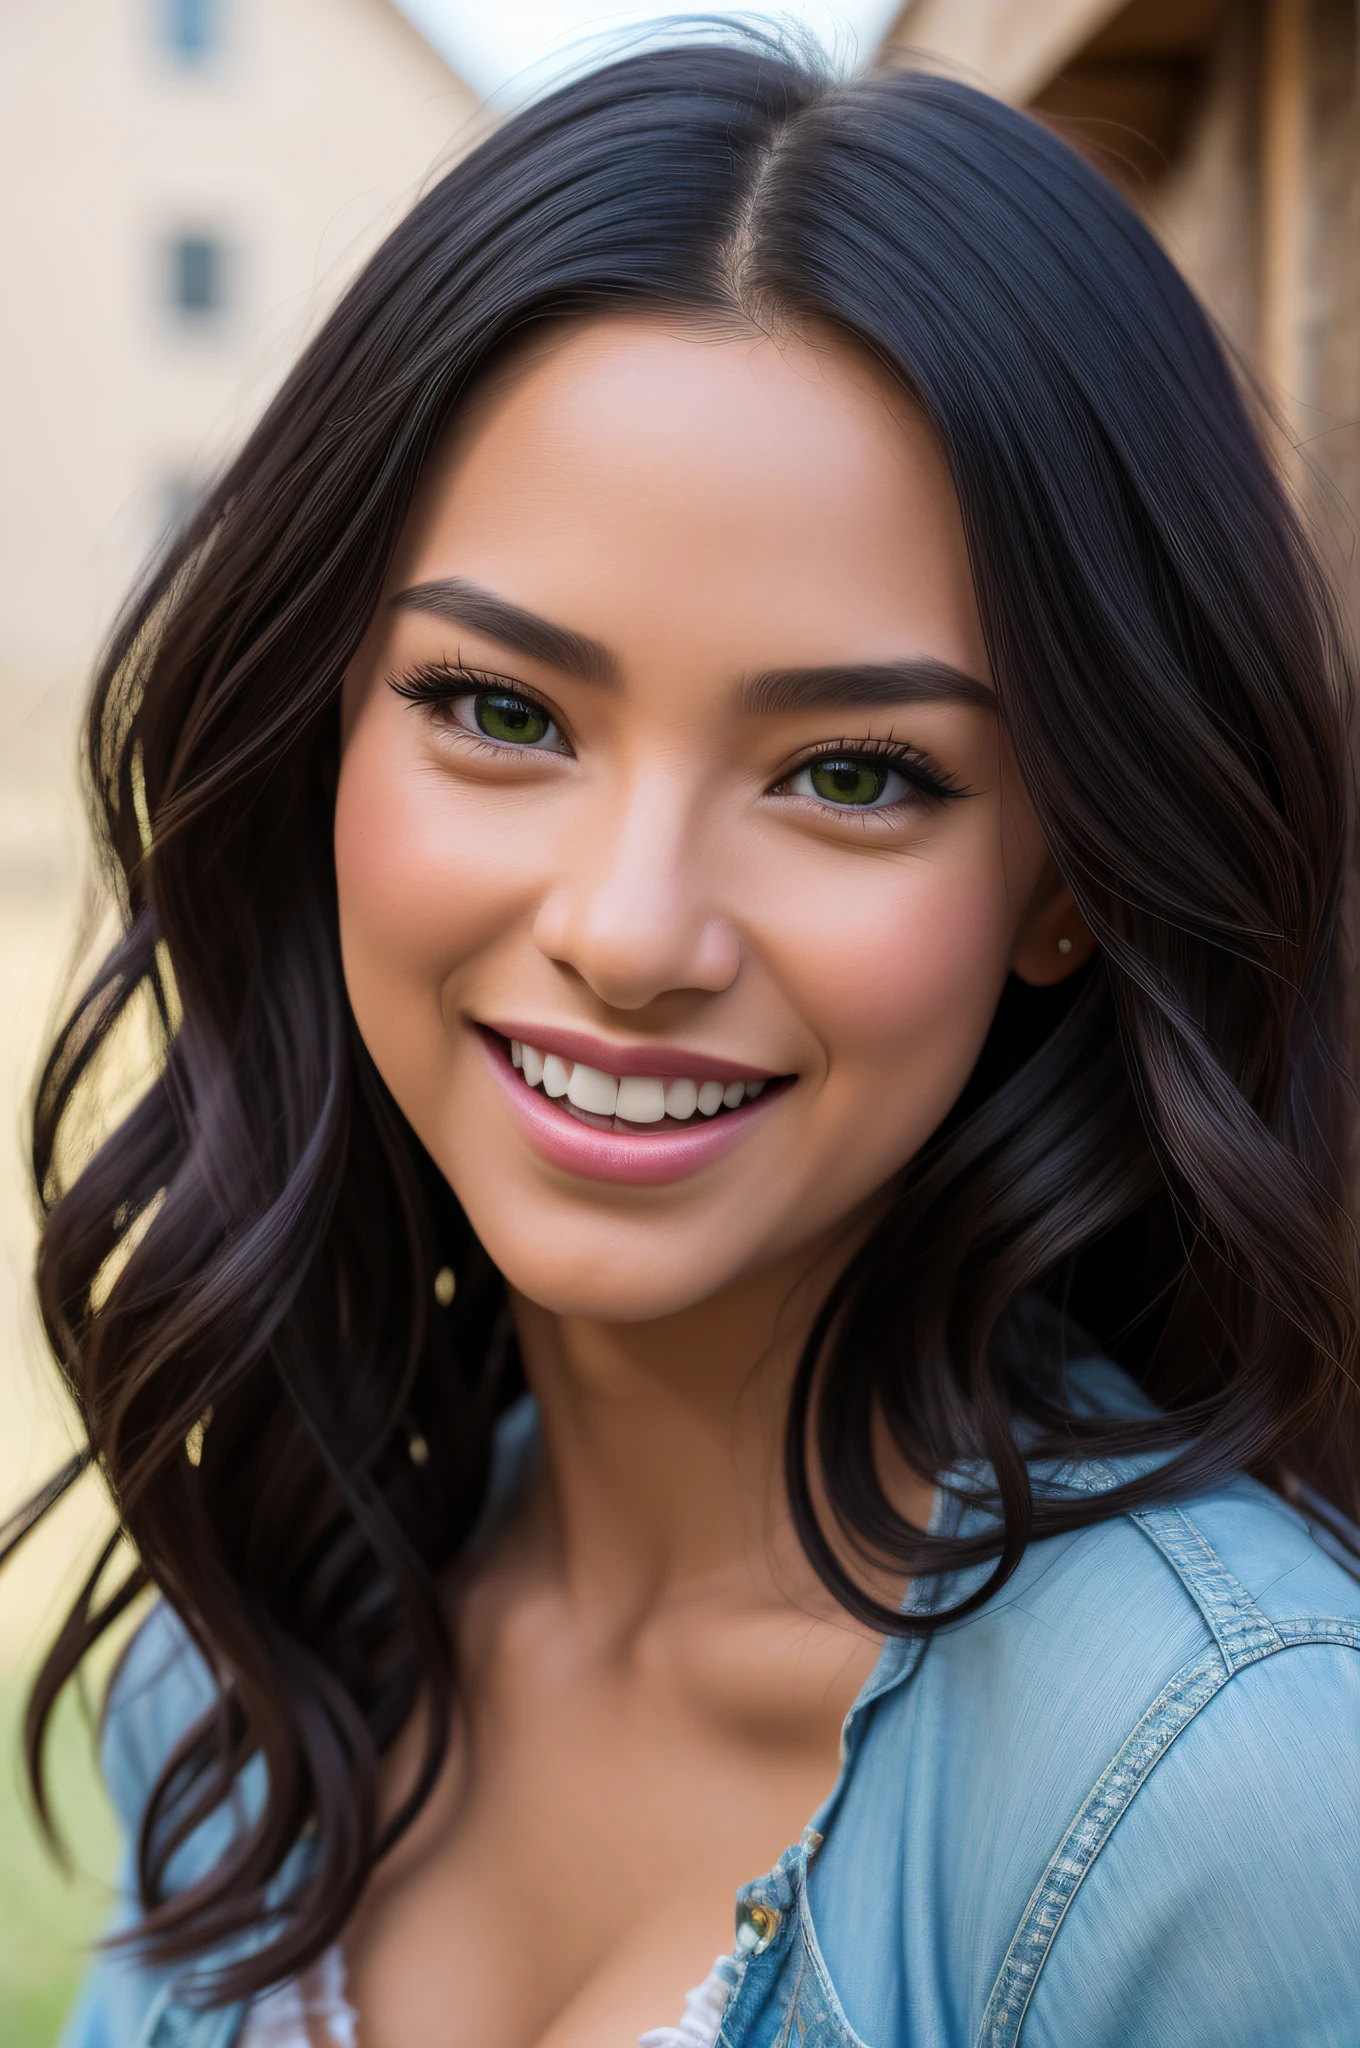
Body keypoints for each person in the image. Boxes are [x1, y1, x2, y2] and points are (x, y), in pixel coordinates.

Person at [9, 39, 1360, 2048]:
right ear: (318, 734)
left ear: (1069, 870)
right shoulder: (253, 1657)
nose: (629, 930)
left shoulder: (1226, 1793)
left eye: (846, 768)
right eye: (501, 711)